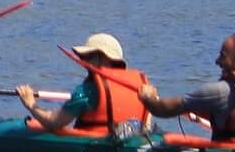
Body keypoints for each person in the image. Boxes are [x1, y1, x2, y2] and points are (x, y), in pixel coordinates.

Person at [16, 32, 150, 135]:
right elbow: (147, 126)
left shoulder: (87, 91)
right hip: (131, 142)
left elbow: (53, 122)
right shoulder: (143, 88)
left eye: (87, 56)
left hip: (96, 147)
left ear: (102, 58)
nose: (83, 61)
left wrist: (31, 104)